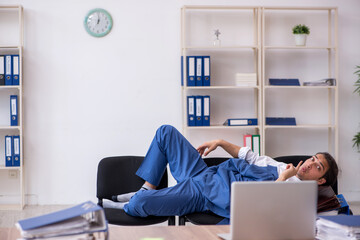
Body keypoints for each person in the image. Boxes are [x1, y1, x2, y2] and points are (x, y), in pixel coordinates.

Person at [102, 125, 338, 223]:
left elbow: (264, 207)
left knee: (141, 204)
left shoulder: (296, 191)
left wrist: (283, 180)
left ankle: (135, 199)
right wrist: (220, 141)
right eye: (313, 158)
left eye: (318, 166)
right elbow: (249, 156)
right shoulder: (278, 165)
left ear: (321, 180)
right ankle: (147, 188)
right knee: (166, 133)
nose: (310, 163)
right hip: (207, 172)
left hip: (206, 194)